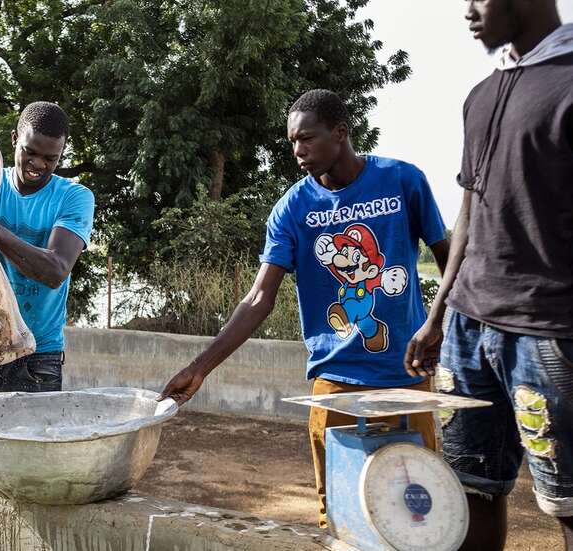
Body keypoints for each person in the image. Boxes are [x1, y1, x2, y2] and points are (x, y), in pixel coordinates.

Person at [158, 89, 449, 527]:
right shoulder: (293, 208)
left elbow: (450, 260)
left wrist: (440, 323)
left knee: (418, 509)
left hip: (405, 376)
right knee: (338, 510)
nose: (298, 151)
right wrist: (201, 367)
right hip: (335, 381)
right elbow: (259, 298)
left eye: (308, 139)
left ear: (341, 132)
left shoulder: (403, 181)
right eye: (293, 141)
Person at [404, 2, 573, 549]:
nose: (469, 10)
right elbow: (470, 212)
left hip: (550, 333)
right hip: (468, 329)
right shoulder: (482, 94)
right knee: (469, 491)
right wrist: (438, 314)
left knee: (568, 504)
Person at [0, 101, 95, 392]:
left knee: (33, 439)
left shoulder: (74, 197)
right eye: (30, 152)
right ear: (15, 139)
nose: (38, 164)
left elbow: (55, 270)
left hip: (38, 357)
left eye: (50, 158)